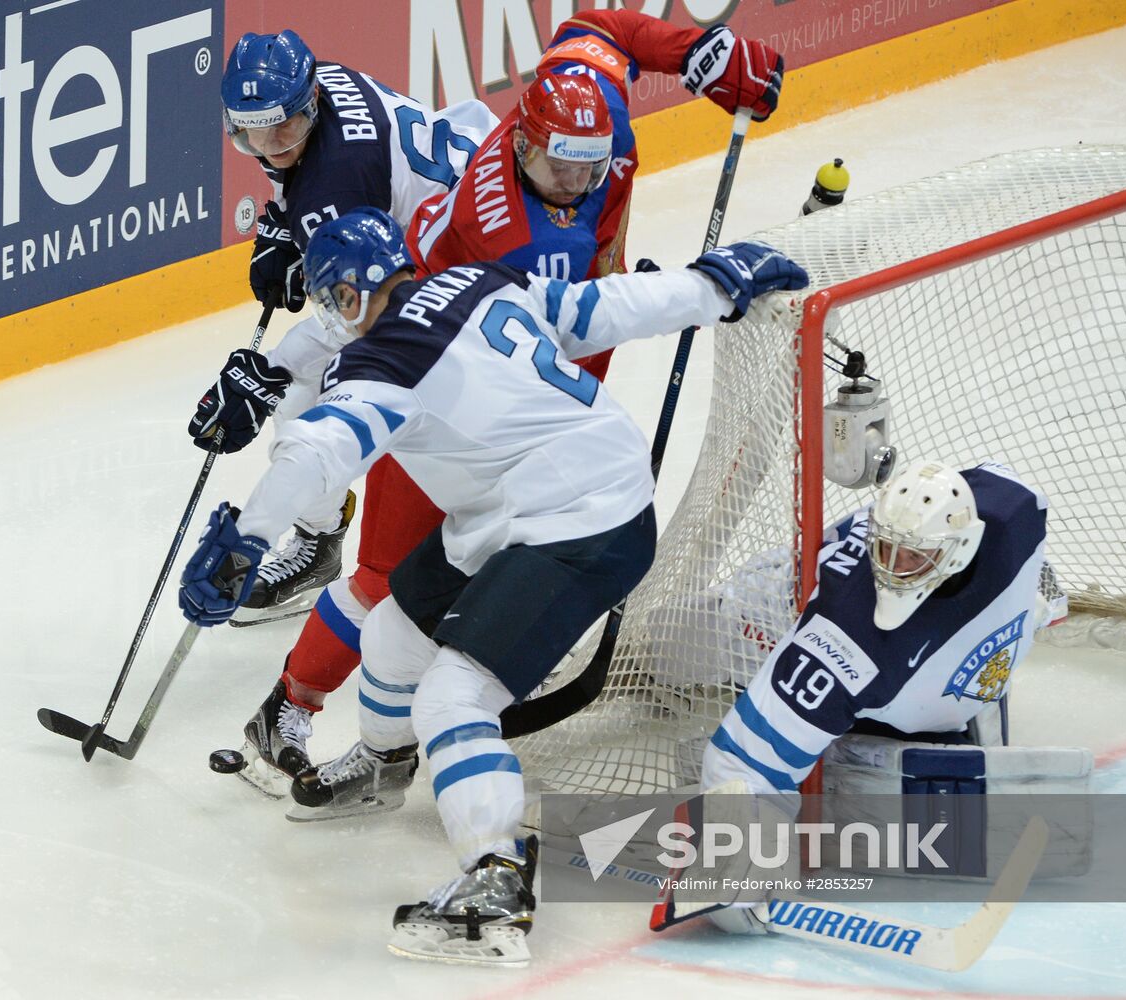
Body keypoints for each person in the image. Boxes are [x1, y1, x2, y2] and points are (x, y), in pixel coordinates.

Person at [176, 208, 808, 966]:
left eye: (330, 301)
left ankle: (497, 876)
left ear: (347, 295)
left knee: (454, 696)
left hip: (581, 523)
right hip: (520, 507)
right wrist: (712, 287)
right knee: (391, 633)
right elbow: (600, 307)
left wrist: (246, 540)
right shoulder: (479, 281)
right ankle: (384, 765)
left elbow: (316, 455)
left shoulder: (383, 362)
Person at [216, 9, 787, 794]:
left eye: (591, 166)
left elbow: (600, 31)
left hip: (507, 339)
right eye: (559, 170)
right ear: (522, 144)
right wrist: (671, 295)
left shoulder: (583, 99)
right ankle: (291, 703)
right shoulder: (523, 242)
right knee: (387, 572)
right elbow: (537, 316)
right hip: (448, 361)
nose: (576, 184)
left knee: (509, 530)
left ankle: (489, 638)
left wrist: (699, 52)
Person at [184, 30, 496, 790]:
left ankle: (343, 556)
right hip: (453, 218)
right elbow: (325, 193)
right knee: (305, 408)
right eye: (252, 134)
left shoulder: (335, 188)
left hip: (455, 272)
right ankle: (321, 539)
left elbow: (353, 314)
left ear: (311, 103)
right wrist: (281, 225)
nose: (271, 146)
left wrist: (266, 372)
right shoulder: (314, 83)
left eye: (284, 129)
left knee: (316, 411)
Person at [651, 459, 1066, 936]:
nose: (894, 569)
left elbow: (978, 491)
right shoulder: (844, 646)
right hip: (762, 615)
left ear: (960, 548)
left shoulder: (1014, 507)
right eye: (886, 549)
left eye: (914, 556)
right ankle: (648, 656)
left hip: (900, 665)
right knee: (666, 647)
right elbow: (743, 761)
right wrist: (726, 875)